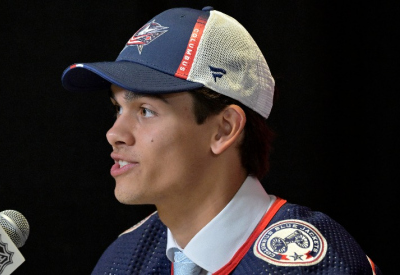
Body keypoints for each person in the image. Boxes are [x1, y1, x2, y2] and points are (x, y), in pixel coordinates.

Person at [61, 6, 382, 275]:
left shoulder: (315, 264)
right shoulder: (125, 257)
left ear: (224, 129)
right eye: (118, 108)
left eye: (145, 110)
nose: (114, 134)